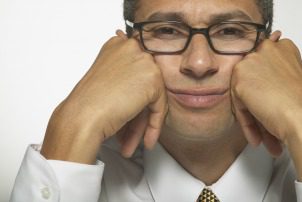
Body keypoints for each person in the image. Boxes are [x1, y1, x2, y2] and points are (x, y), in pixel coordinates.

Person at [10, 0, 302, 201]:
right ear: (125, 49)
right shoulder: (72, 163)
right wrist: (75, 120)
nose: (198, 63)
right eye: (167, 30)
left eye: (230, 31)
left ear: (269, 49)